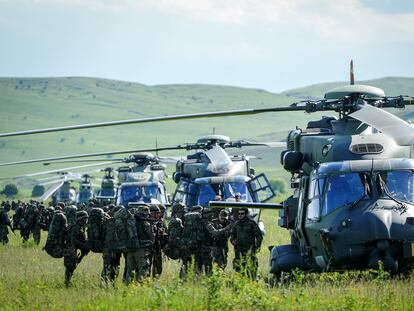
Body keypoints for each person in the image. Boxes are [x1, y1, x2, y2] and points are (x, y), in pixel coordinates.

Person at [230, 207, 263, 279]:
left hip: (249, 250)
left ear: (246, 214)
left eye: (242, 214)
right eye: (239, 214)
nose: (240, 215)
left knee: (251, 268)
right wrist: (232, 240)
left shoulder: (252, 223)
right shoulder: (237, 224)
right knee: (239, 268)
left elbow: (259, 236)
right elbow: (232, 234)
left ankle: (252, 281)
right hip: (239, 251)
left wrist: (257, 246)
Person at [125, 206, 154, 283]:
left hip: (130, 249)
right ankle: (140, 286)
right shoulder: (146, 223)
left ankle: (127, 286)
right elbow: (151, 237)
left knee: (130, 269)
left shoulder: (130, 221)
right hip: (141, 249)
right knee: (143, 268)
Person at [63, 211, 90, 286]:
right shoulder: (75, 227)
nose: (86, 221)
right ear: (80, 219)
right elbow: (73, 240)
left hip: (72, 250)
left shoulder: (80, 227)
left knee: (72, 267)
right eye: (85, 219)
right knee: (70, 267)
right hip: (70, 250)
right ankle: (67, 283)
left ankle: (68, 283)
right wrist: (83, 246)